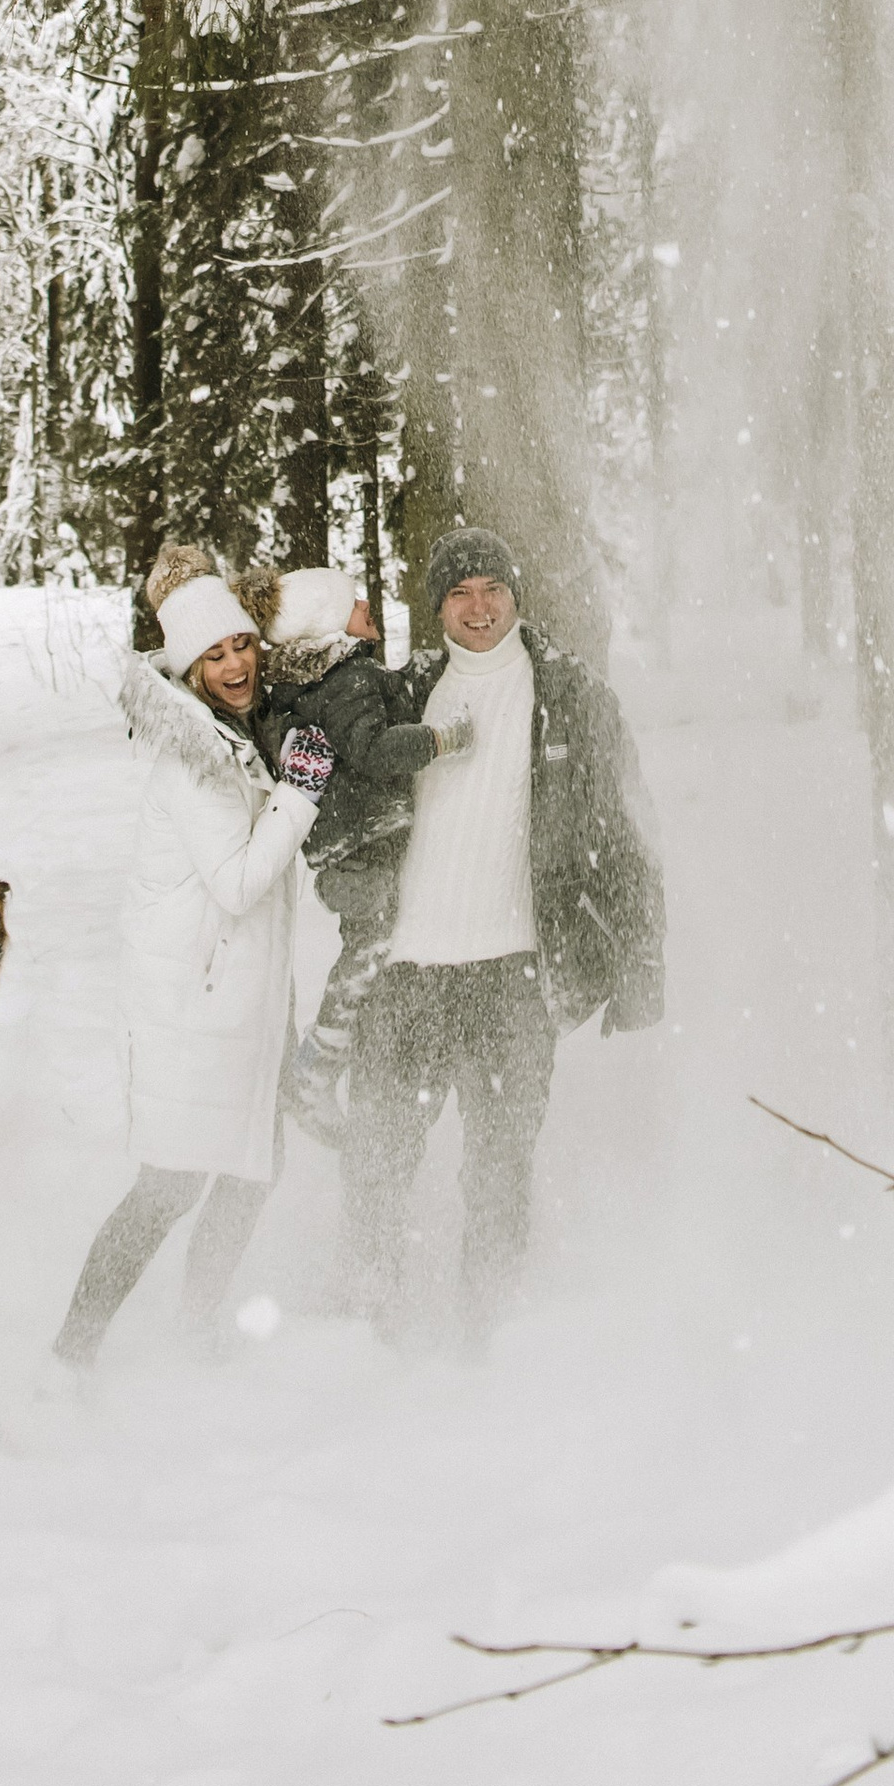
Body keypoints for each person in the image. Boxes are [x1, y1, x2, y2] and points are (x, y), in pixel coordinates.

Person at [342, 525, 664, 1343]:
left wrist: (641, 965)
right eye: (459, 592)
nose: (478, 607)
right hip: (405, 971)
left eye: (492, 589)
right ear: (438, 605)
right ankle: (364, 1327)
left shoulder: (571, 694)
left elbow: (628, 829)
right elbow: (345, 818)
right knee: (377, 1159)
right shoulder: (402, 694)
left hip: (512, 975)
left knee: (498, 1168)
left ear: (516, 595)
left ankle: (488, 1335)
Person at [53, 548, 333, 1364]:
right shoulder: (198, 763)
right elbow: (240, 882)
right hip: (195, 1013)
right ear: (189, 668)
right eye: (215, 654)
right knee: (168, 1188)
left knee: (253, 1170)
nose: (236, 662)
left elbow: (322, 607)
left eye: (242, 643)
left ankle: (196, 1324)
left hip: (238, 1004)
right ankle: (70, 1356)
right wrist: (302, 791)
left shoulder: (234, 733)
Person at [258, 561, 472, 1145]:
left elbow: (391, 699)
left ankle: (328, 1062)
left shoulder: (324, 681)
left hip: (351, 848)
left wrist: (426, 675)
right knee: (372, 945)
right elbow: (374, 747)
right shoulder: (346, 681)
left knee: (378, 939)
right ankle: (316, 1067)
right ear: (329, 625)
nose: (366, 608)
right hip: (361, 850)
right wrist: (441, 739)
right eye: (353, 604)